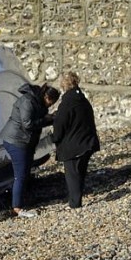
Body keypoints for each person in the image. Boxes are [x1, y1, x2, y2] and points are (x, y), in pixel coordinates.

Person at [0, 82, 60, 218]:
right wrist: (49, 119)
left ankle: (17, 202)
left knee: (24, 173)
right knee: (20, 175)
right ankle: (17, 208)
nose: (50, 105)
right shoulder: (28, 101)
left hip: (24, 142)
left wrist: (49, 118)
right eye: (50, 101)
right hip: (16, 141)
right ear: (45, 96)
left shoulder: (37, 101)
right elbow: (28, 124)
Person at [51, 71, 100, 209]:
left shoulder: (67, 102)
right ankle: (76, 201)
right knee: (80, 173)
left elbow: (60, 124)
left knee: (72, 175)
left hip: (73, 145)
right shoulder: (83, 100)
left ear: (63, 86)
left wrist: (55, 138)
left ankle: (74, 204)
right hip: (87, 142)